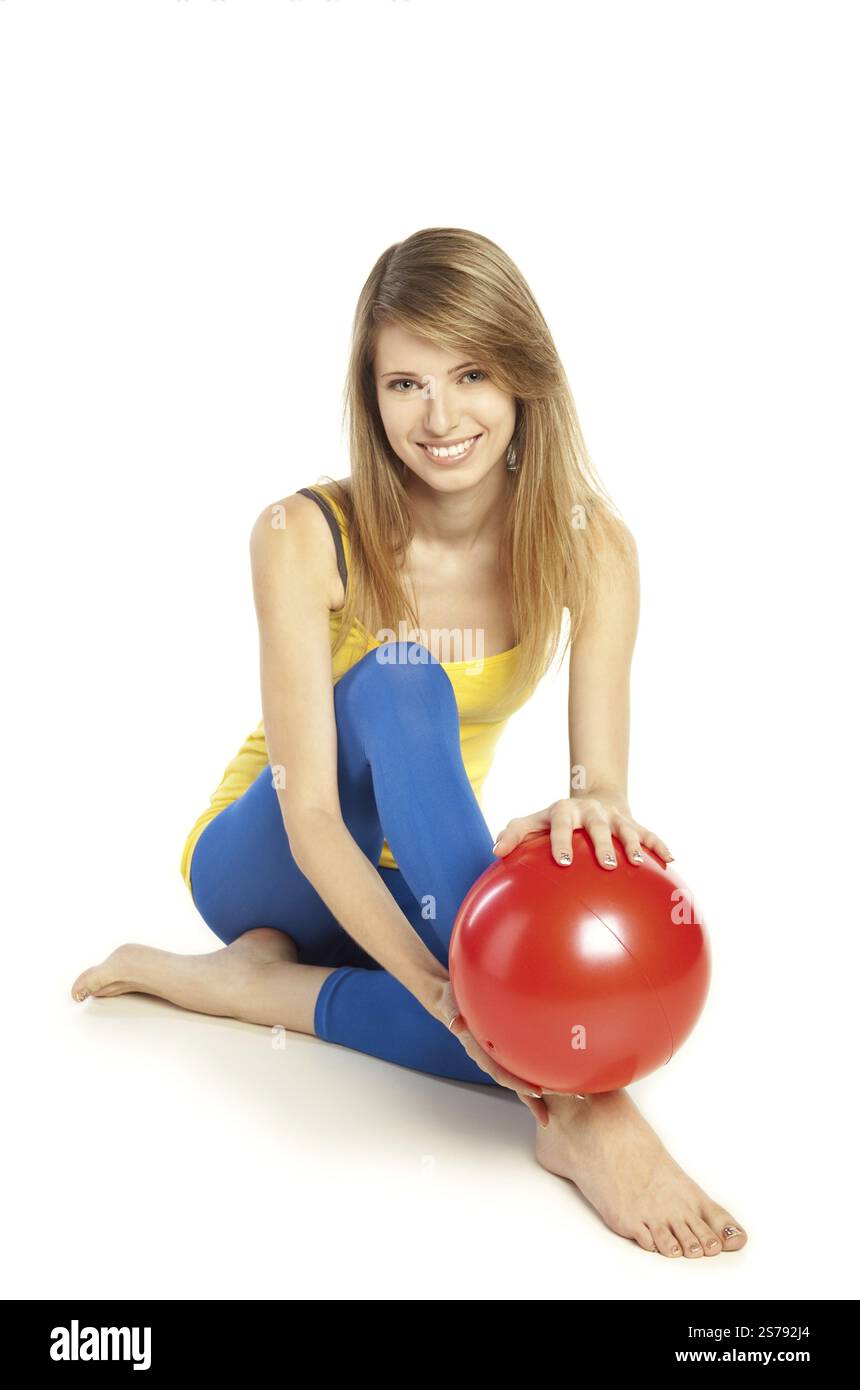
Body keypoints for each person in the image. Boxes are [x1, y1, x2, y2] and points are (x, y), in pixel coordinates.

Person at [72, 227, 746, 1259]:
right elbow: (306, 816)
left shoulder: (591, 547)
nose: (437, 418)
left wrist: (580, 813)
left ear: (523, 376)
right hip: (274, 861)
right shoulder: (301, 534)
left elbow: (595, 778)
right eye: (404, 383)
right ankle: (580, 1112)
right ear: (369, 394)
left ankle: (262, 988)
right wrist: (458, 988)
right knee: (398, 677)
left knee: (484, 1002)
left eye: (470, 373)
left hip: (416, 884)